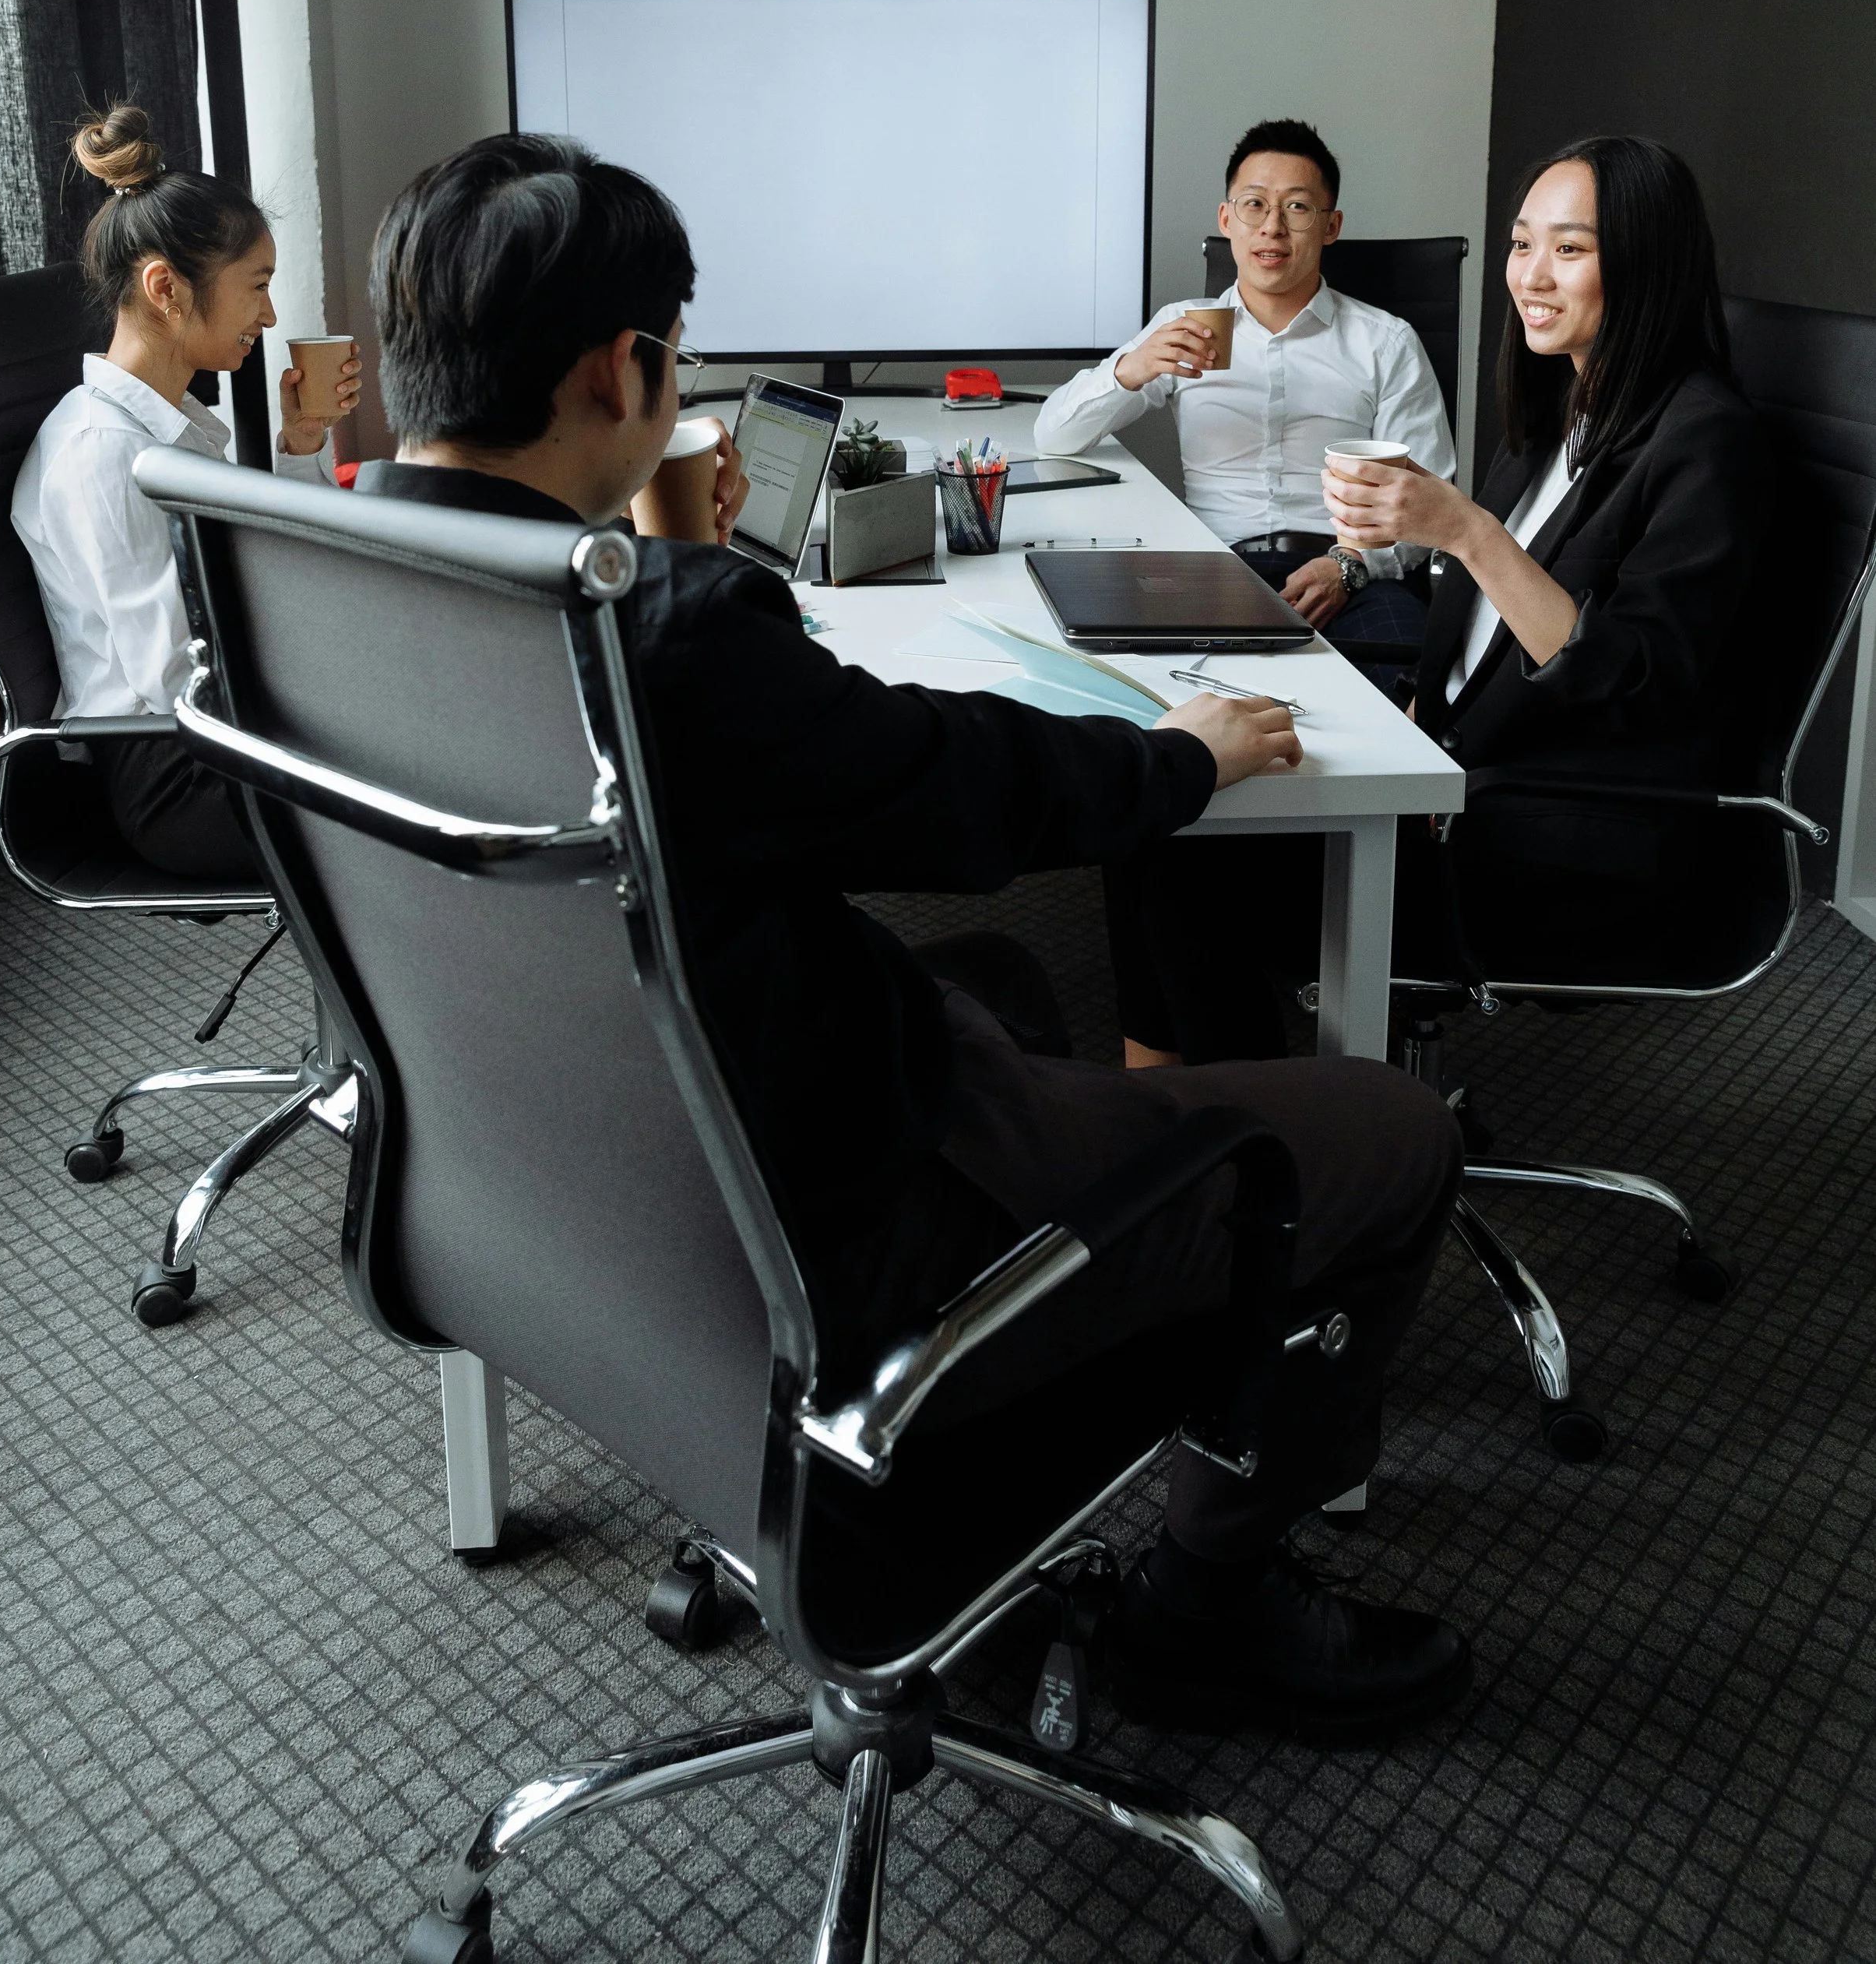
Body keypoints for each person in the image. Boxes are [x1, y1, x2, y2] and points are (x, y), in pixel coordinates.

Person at [355, 128, 1470, 1743]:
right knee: (1390, 1128)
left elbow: (710, 774)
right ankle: (1200, 1605)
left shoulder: (364, 596)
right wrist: (1180, 758)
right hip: (831, 1241)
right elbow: (952, 792)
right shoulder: (667, 636)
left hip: (559, 1211)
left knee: (1006, 980)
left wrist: (679, 560)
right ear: (627, 368)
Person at [1116, 134, 1774, 1066]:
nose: (1531, 276)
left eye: (1570, 248)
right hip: (1460, 769)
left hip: (1557, 835)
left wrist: (1463, 529)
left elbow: (1633, 684)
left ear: (1647, 261)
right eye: (1519, 243)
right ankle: (1174, 1106)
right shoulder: (1562, 417)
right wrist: (1419, 716)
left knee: (1176, 835)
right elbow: (1469, 625)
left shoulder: (1705, 441)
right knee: (1164, 793)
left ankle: (1252, 1143)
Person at [12, 104, 360, 884]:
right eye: (258, 287)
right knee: (429, 789)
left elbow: (257, 574)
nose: (268, 316)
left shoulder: (171, 434)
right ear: (166, 288)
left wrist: (302, 440)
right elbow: (179, 676)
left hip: (221, 735)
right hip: (177, 777)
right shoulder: (106, 453)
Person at [1033, 117, 1453, 656]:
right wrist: (1131, 369)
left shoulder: (1386, 343)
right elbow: (1055, 435)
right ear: (1227, 219)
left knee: (1415, 668)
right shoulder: (1186, 325)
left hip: (1347, 575)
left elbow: (1432, 500)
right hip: (1214, 569)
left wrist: (1349, 566)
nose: (1272, 227)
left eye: (1297, 207)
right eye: (1254, 205)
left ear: (1331, 226)